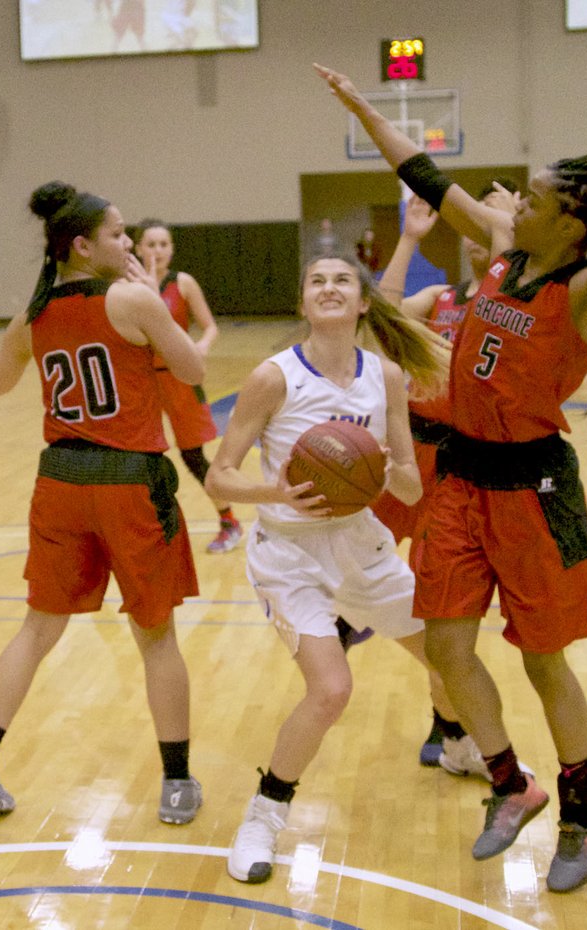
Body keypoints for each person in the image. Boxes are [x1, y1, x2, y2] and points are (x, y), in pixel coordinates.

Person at [316, 27, 587, 893]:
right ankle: (509, 782)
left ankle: (583, 807)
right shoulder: (506, 246)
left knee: (542, 660)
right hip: (464, 483)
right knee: (445, 649)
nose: (514, 196)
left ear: (574, 218)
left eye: (535, 193)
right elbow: (426, 176)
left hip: (534, 488)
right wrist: (367, 109)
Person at [0, 181, 206, 826]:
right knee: (156, 638)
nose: (128, 244)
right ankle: (176, 781)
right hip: (128, 485)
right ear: (84, 245)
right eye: (118, 234)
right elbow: (193, 371)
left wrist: (28, 340)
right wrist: (149, 297)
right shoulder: (132, 300)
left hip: (59, 482)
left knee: (37, 628)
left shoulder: (34, 312)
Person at [204, 253, 457, 884]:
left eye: (342, 279)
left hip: (360, 545)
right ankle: (264, 813)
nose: (329, 287)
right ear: (303, 304)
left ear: (363, 302)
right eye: (317, 280)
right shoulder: (273, 378)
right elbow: (219, 477)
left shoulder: (387, 377)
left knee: (450, 657)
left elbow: (406, 490)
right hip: (289, 556)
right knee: (332, 689)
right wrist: (279, 494)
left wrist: (382, 472)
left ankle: (460, 743)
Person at [372, 186, 519, 769]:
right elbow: (378, 316)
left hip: (459, 467)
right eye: (471, 224)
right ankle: (336, 624)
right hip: (405, 453)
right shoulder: (441, 297)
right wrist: (409, 236)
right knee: (344, 557)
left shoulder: (512, 304)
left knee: (440, 611)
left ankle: (448, 726)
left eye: (492, 223)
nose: (477, 235)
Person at [134, 219, 242, 553]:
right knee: (138, 457)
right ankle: (147, 527)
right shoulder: (126, 285)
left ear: (172, 248)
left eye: (163, 244)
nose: (157, 251)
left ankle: (229, 521)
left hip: (178, 377)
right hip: (140, 380)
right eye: (150, 244)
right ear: (137, 249)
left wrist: (201, 348)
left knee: (194, 457)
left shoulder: (183, 283)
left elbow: (209, 327)